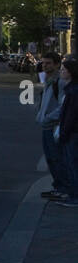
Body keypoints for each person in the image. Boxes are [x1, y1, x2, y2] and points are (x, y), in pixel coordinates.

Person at [39, 52, 68, 200]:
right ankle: (58, 187)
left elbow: (63, 106)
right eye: (43, 63)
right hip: (47, 126)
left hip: (54, 126)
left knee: (56, 158)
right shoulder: (48, 79)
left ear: (57, 64)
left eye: (48, 63)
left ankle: (63, 188)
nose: (44, 65)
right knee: (51, 158)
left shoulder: (60, 82)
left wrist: (48, 118)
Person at [56, 58, 78, 207]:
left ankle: (75, 196)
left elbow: (71, 115)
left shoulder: (73, 90)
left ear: (70, 72)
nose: (61, 72)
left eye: (63, 69)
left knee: (72, 164)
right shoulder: (71, 88)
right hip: (71, 131)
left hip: (72, 133)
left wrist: (63, 132)